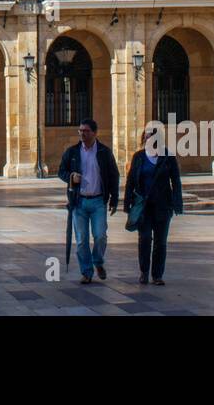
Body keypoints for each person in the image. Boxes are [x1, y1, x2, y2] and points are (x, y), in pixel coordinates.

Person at [58, 118, 120, 285]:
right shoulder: (72, 152)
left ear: (94, 133)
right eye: (80, 131)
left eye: (85, 131)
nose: (82, 134)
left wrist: (114, 199)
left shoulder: (104, 152)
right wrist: (71, 177)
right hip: (79, 202)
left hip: (98, 201)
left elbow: (114, 176)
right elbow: (61, 171)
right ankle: (86, 271)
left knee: (100, 236)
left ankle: (98, 261)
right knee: (81, 240)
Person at [123, 126, 183, 286]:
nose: (150, 139)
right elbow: (130, 182)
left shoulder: (167, 157)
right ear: (144, 139)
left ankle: (157, 275)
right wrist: (127, 203)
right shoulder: (139, 157)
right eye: (147, 136)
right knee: (144, 239)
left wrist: (177, 203)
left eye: (153, 137)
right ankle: (144, 272)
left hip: (163, 205)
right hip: (144, 206)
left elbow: (176, 181)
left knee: (160, 242)